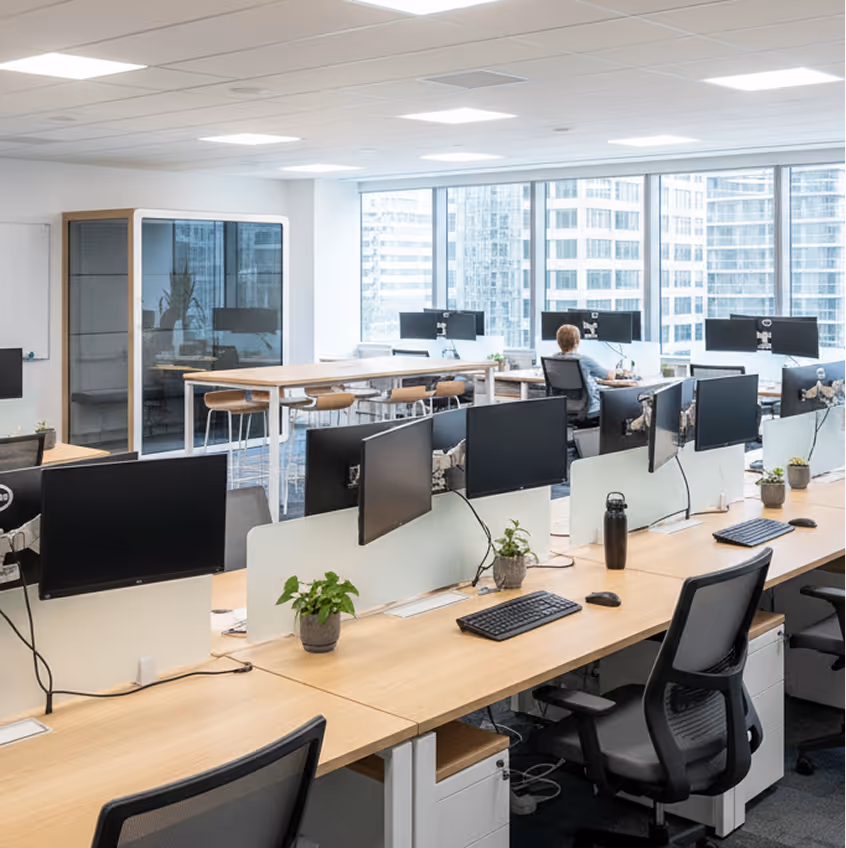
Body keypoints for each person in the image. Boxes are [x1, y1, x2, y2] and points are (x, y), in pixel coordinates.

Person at [553, 324, 615, 417]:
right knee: (617, 403)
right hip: (590, 409)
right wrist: (615, 369)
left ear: (558, 341)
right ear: (577, 341)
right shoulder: (584, 360)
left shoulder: (554, 359)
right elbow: (609, 376)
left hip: (564, 407)